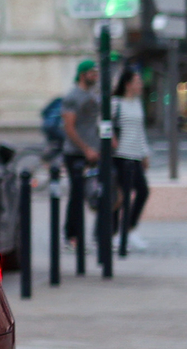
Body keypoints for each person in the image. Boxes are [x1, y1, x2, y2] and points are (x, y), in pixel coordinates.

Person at [58, 59, 101, 245]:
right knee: (76, 195)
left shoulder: (93, 95)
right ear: (83, 74)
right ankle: (71, 235)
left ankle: (90, 234)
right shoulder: (72, 97)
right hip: (76, 153)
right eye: (92, 72)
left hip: (93, 151)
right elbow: (69, 127)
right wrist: (86, 149)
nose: (95, 76)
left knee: (92, 193)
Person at [111, 68, 153, 253]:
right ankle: (114, 234)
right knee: (121, 196)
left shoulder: (137, 103)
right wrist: (111, 139)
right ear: (127, 84)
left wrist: (145, 153)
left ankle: (128, 229)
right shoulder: (115, 103)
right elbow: (103, 123)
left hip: (135, 154)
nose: (140, 85)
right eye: (137, 81)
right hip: (120, 154)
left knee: (142, 191)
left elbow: (140, 130)